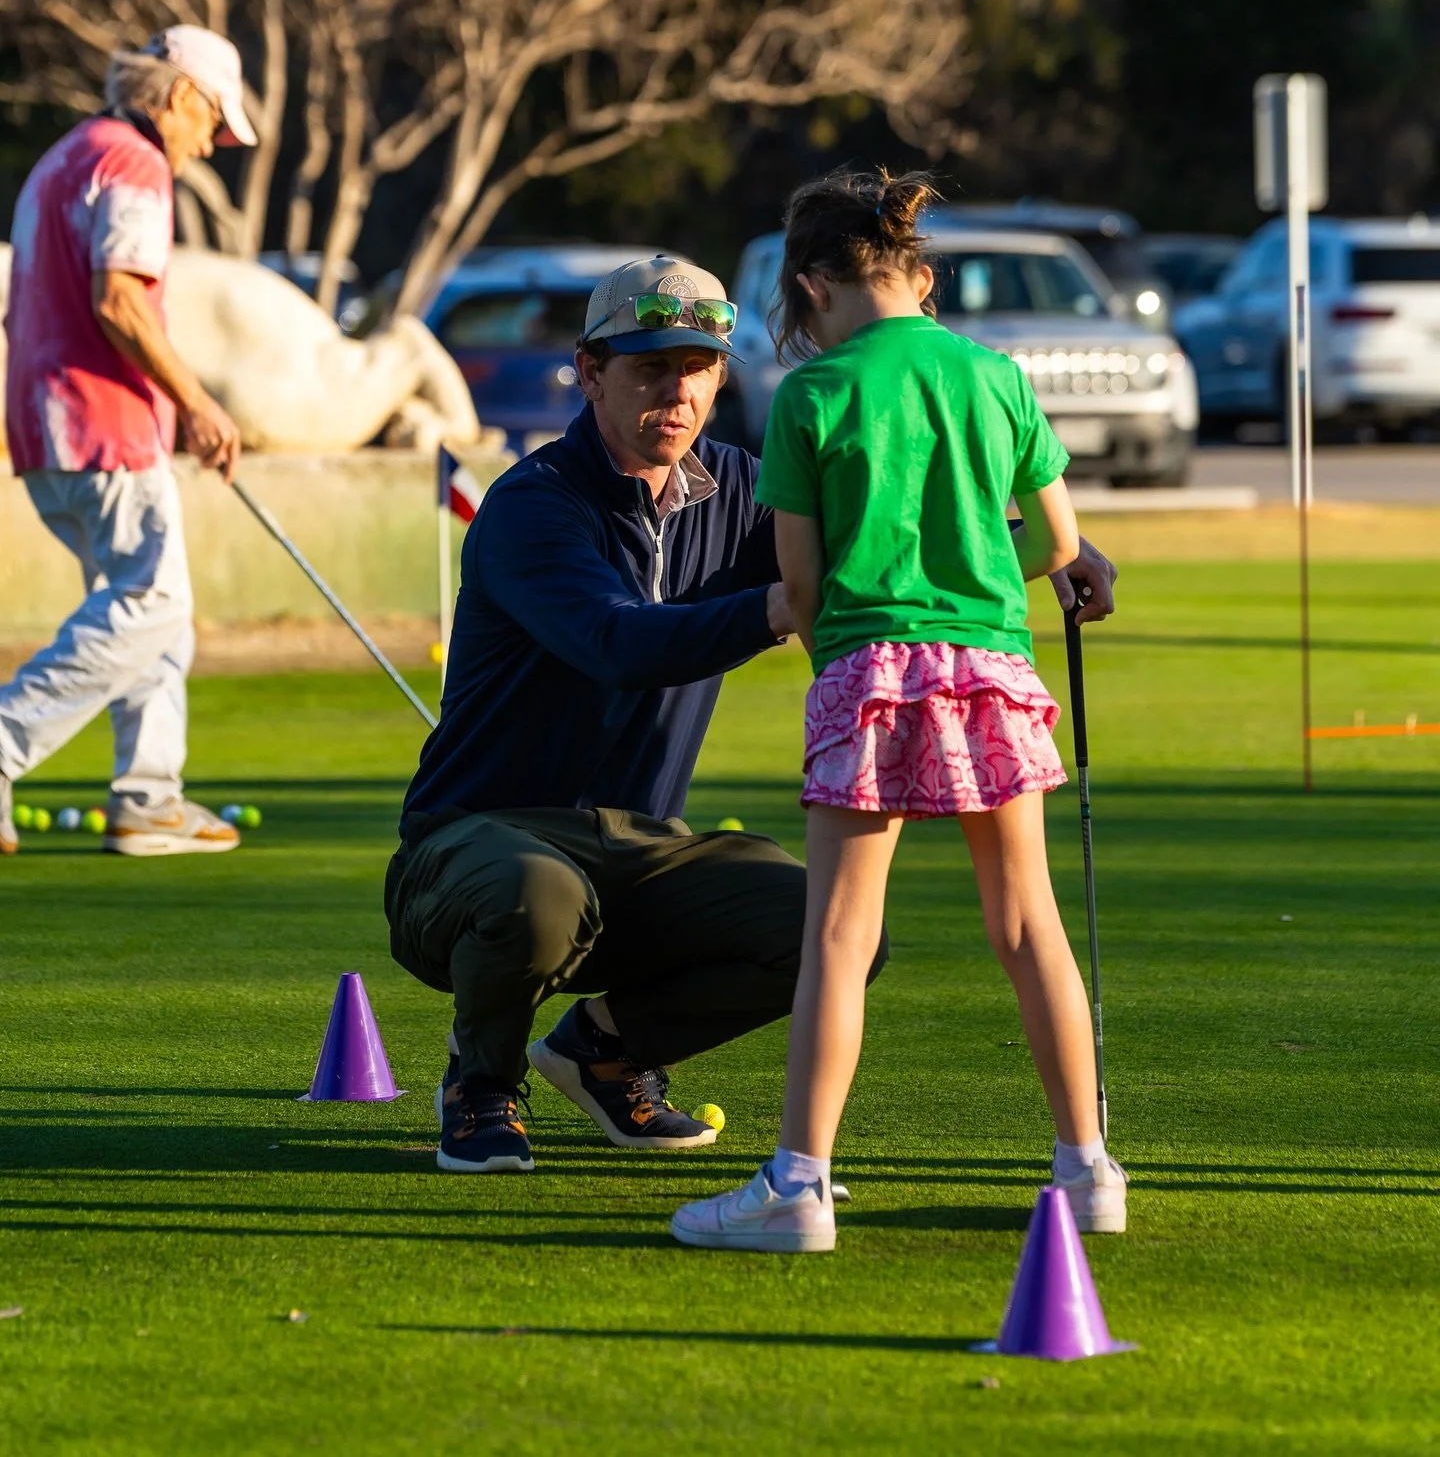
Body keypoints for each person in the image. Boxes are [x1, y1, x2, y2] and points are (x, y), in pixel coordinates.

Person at [385, 250, 1119, 1176]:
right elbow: (619, 644)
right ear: (591, 369)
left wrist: (1057, 548)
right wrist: (779, 605)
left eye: (697, 368)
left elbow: (886, 552)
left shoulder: (739, 487)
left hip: (641, 848)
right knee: (538, 896)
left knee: (826, 930)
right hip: (470, 847)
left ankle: (603, 1053)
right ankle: (482, 1085)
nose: (677, 390)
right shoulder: (533, 506)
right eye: (650, 365)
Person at [671, 170, 1127, 1255]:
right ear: (919, 277)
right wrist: (989, 573)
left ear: (812, 282)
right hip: (991, 670)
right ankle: (1087, 1167)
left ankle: (800, 1186)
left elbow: (806, 586)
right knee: (1027, 923)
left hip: (869, 669)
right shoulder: (994, 375)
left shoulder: (812, 396)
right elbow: (1059, 546)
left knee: (838, 931)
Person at [0, 26, 252, 858]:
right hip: (103, 423)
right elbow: (120, 302)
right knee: (154, 604)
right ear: (179, 95)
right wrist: (201, 404)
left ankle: (149, 797)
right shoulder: (136, 164)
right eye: (214, 123)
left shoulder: (65, 154)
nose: (211, 147)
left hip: (45, 428)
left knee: (146, 611)